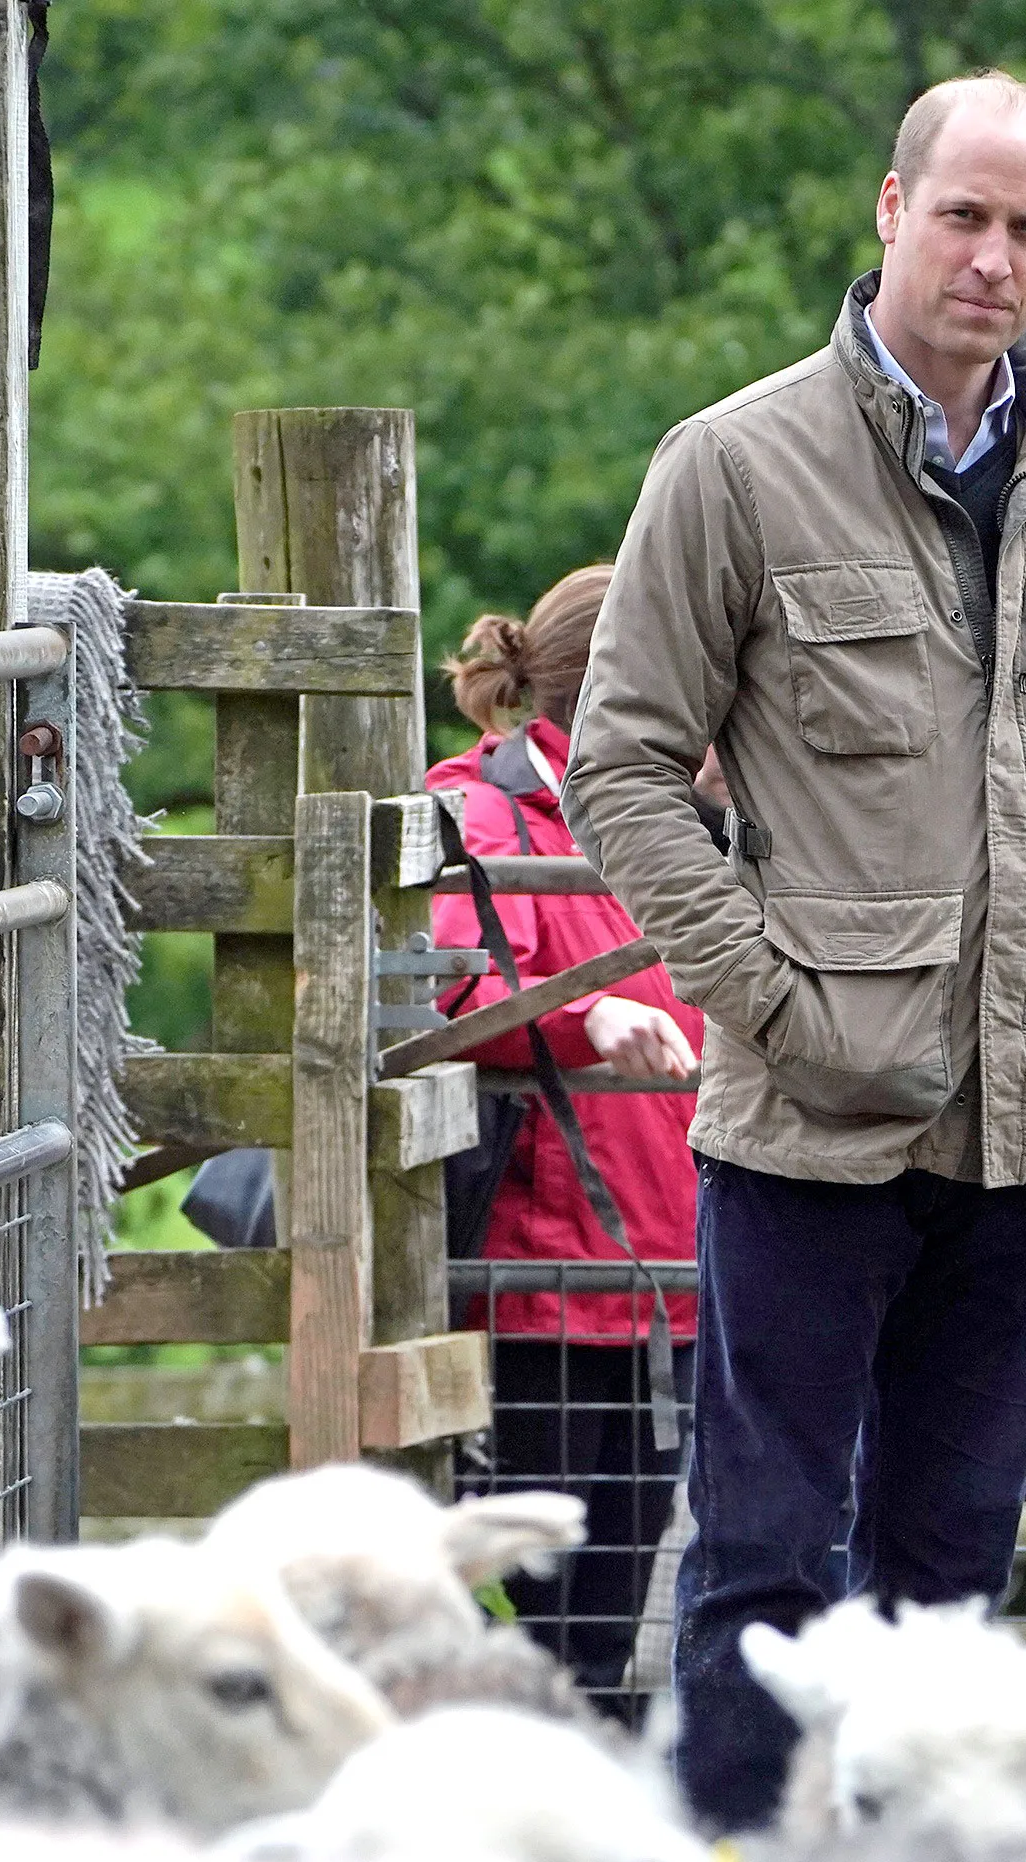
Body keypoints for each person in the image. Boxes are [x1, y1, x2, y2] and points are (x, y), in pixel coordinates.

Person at [564, 70, 1026, 1829]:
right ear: (890, 212)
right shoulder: (736, 462)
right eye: (966, 217)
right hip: (812, 1123)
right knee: (764, 1551)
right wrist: (758, 993)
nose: (995, 260)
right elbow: (619, 757)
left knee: (954, 1566)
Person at [427, 566, 704, 1698]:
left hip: (668, 1282)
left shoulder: (682, 820)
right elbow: (443, 995)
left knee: (607, 1619)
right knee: (554, 1622)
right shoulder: (480, 811)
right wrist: (586, 1011)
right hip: (541, 1287)